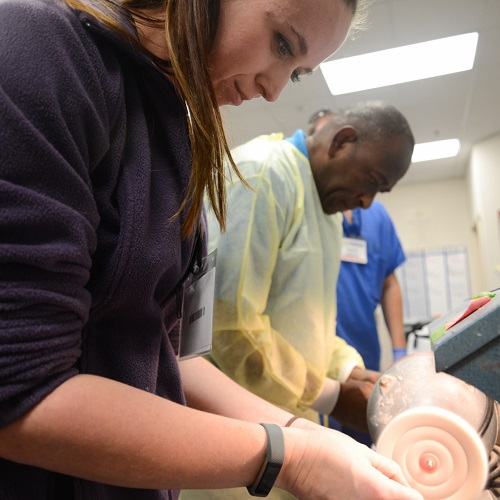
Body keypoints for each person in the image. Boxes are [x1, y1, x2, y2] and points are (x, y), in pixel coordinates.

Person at [0, 0, 428, 499]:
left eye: (294, 74)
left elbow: (172, 352)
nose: (271, 89)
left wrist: (301, 432)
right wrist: (289, 456)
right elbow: (19, 388)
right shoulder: (40, 54)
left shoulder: (175, 128)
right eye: (282, 44)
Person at [180, 101, 415, 500]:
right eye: (372, 181)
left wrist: (350, 372)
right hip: (236, 432)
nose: (367, 202)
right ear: (342, 142)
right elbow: (229, 329)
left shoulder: (327, 212)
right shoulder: (265, 174)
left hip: (290, 426)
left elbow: (313, 323)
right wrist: (333, 396)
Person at [307, 109, 407, 447]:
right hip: (308, 348)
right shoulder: (306, 206)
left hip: (360, 347)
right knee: (319, 442)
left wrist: (399, 348)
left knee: (368, 436)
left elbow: (390, 282)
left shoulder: (376, 214)